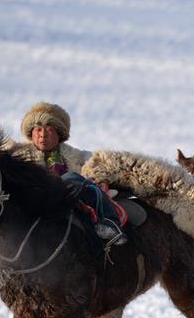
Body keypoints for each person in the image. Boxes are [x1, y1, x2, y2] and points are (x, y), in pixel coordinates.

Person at [9, 102, 126, 245]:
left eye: (49, 130)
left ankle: (110, 224)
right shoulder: (17, 156)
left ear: (59, 134)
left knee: (78, 180)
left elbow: (98, 168)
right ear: (31, 134)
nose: (43, 135)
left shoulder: (78, 157)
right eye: (38, 130)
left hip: (70, 202)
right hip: (34, 204)